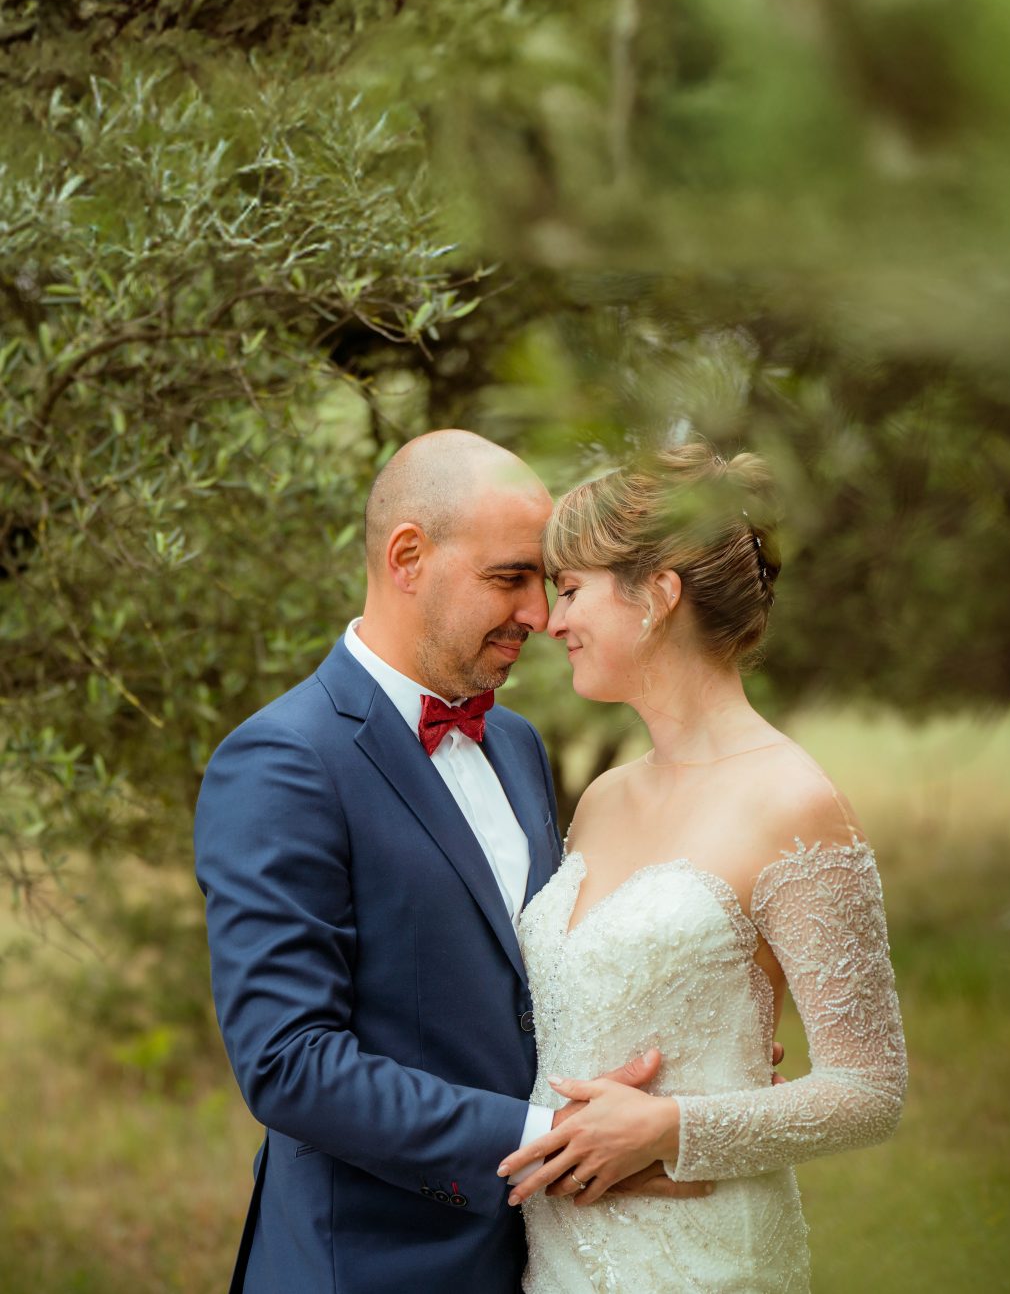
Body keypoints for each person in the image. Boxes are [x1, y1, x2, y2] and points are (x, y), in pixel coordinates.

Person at [195, 431, 726, 1294]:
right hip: (371, 1266)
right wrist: (550, 1138)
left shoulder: (514, 744)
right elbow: (289, 1062)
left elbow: (541, 976)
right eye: (509, 577)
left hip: (543, 1261)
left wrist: (706, 1048)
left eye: (546, 584)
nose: (540, 615)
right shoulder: (283, 762)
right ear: (409, 557)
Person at [495, 442, 905, 1293]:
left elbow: (870, 1088)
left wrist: (673, 1126)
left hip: (704, 1262)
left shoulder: (792, 803)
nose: (551, 620)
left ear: (659, 596)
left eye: (571, 590)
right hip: (558, 1260)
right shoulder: (603, 798)